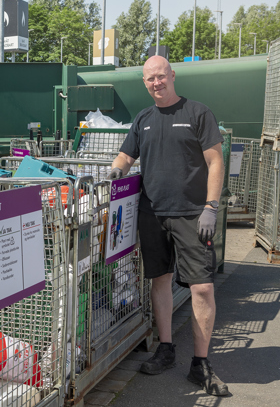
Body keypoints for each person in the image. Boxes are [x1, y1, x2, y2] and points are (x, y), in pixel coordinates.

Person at [108, 56, 228, 397]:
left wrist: (211, 207)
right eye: (150, 79)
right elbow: (126, 156)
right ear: (145, 83)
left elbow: (216, 160)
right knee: (158, 280)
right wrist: (116, 169)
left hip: (193, 215)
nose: (156, 83)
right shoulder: (143, 119)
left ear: (172, 75)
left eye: (161, 76)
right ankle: (166, 348)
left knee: (202, 288)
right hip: (152, 212)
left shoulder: (197, 113)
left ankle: (200, 364)